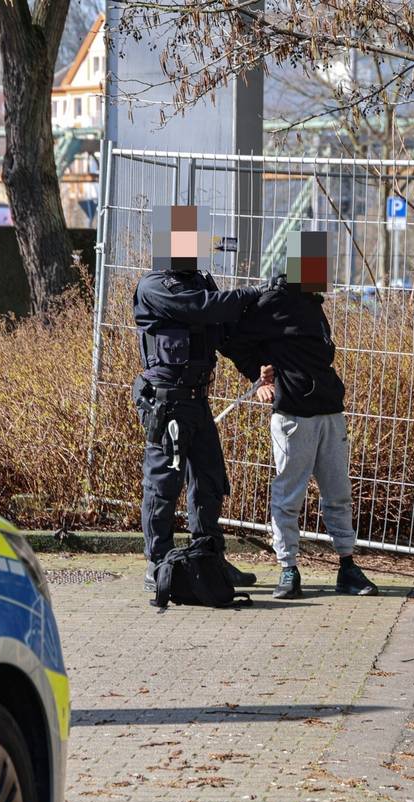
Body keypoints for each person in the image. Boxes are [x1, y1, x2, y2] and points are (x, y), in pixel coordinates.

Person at [222, 230, 378, 599]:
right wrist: (256, 377)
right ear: (297, 265)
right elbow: (230, 339)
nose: (323, 270)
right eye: (315, 263)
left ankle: (347, 566)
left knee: (338, 493)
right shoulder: (274, 300)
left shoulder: (312, 302)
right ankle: (288, 568)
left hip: (329, 412)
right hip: (293, 416)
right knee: (288, 496)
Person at [134, 204, 263, 602]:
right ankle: (158, 564)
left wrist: (257, 370)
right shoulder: (154, 286)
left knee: (208, 481)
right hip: (168, 403)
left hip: (197, 401)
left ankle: (210, 558)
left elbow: (222, 333)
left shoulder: (201, 281)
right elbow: (204, 308)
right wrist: (250, 293)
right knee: (163, 485)